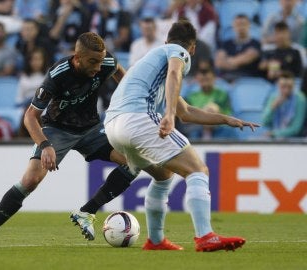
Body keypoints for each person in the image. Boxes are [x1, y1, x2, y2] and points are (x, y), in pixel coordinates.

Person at [0, 32, 139, 248]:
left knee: (134, 163)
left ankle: (87, 212)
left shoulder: (106, 62)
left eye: (100, 60)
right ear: (77, 58)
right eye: (92, 62)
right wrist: (45, 145)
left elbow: (123, 79)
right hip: (57, 130)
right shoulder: (58, 74)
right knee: (30, 181)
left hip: (91, 128)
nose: (98, 67)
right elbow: (30, 116)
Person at [104, 20, 258, 251]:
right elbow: (175, 74)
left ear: (166, 40)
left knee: (164, 176)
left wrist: (227, 119)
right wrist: (168, 113)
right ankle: (205, 235)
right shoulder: (178, 52)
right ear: (192, 48)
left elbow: (186, 112)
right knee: (198, 170)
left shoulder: (149, 60)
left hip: (113, 127)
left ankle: (155, 241)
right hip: (137, 119)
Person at [182, 67, 234, 140]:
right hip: (197, 126)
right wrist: (203, 114)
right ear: (197, 80)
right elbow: (186, 115)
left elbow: (229, 112)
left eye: (207, 80)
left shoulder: (222, 94)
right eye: (202, 80)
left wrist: (216, 112)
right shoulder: (191, 96)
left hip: (219, 126)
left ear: (214, 78)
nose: (205, 83)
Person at [215, 14, 261, 82]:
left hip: (247, 79)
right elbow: (219, 63)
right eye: (238, 24)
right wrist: (234, 63)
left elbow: (245, 59)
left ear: (249, 25)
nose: (241, 27)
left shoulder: (255, 44)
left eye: (243, 24)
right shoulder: (226, 44)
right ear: (233, 26)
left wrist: (227, 61)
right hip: (225, 78)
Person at [262, 70, 306, 139]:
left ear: (293, 86)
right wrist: (273, 107)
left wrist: (275, 133)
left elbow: (296, 128)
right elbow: (265, 122)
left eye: (289, 87)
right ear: (278, 85)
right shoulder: (273, 97)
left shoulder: (300, 99)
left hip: (296, 139)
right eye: (283, 87)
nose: (286, 90)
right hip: (275, 138)